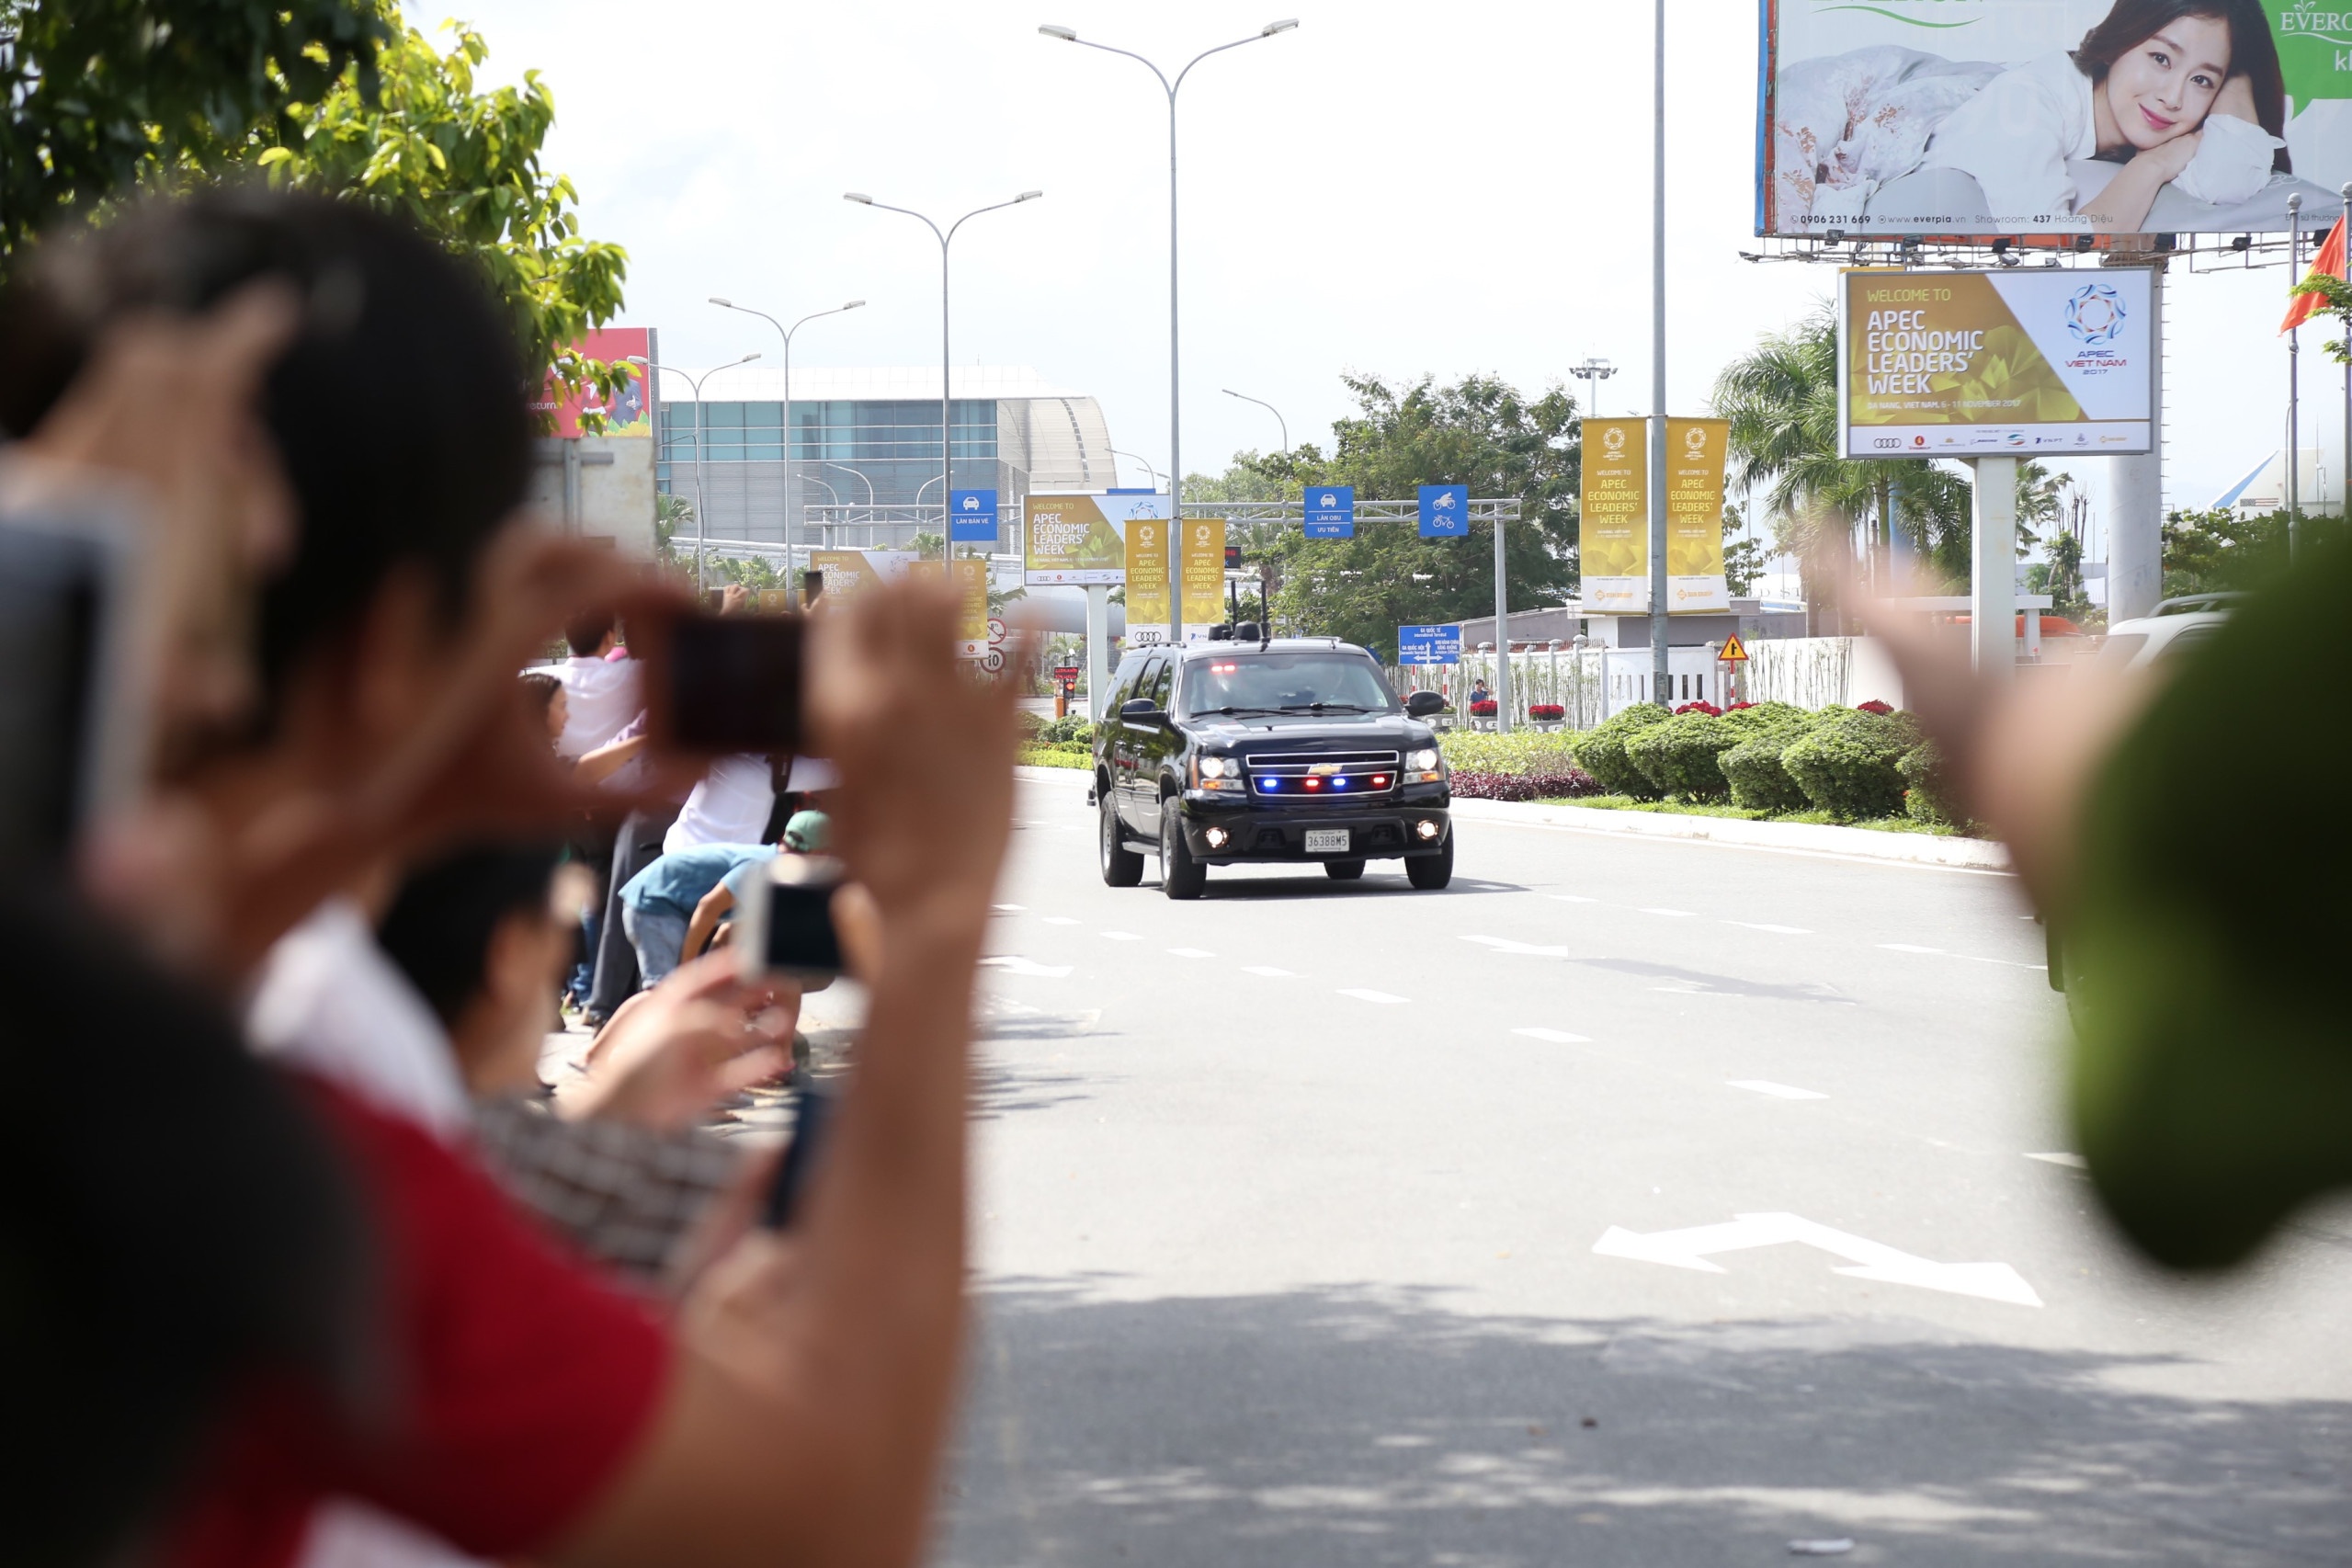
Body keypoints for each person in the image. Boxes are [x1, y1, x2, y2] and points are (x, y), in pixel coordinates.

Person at [5, 186, 1028, 1568]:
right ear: (399, 640)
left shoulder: (154, 1023)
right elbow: (835, 1510)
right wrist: (941, 915)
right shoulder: (274, 1156)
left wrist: (378, 758)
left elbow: (180, 917)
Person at [1921, 0, 2289, 233]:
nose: (2173, 98)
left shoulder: (2179, 131)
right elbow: (2048, 252)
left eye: (2201, 80)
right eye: (2161, 58)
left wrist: (2239, 75)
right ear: (2121, 40)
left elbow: (2229, 183)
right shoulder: (2024, 103)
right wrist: (2151, 167)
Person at [619, 836, 781, 986]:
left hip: (664, 907)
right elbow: (708, 907)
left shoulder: (772, 871)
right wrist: (687, 972)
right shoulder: (764, 865)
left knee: (670, 994)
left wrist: (705, 981)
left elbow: (726, 933)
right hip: (657, 904)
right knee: (668, 994)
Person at [550, 608, 642, 761]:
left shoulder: (545, 680)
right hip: (621, 774)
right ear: (609, 637)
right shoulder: (634, 674)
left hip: (562, 774)